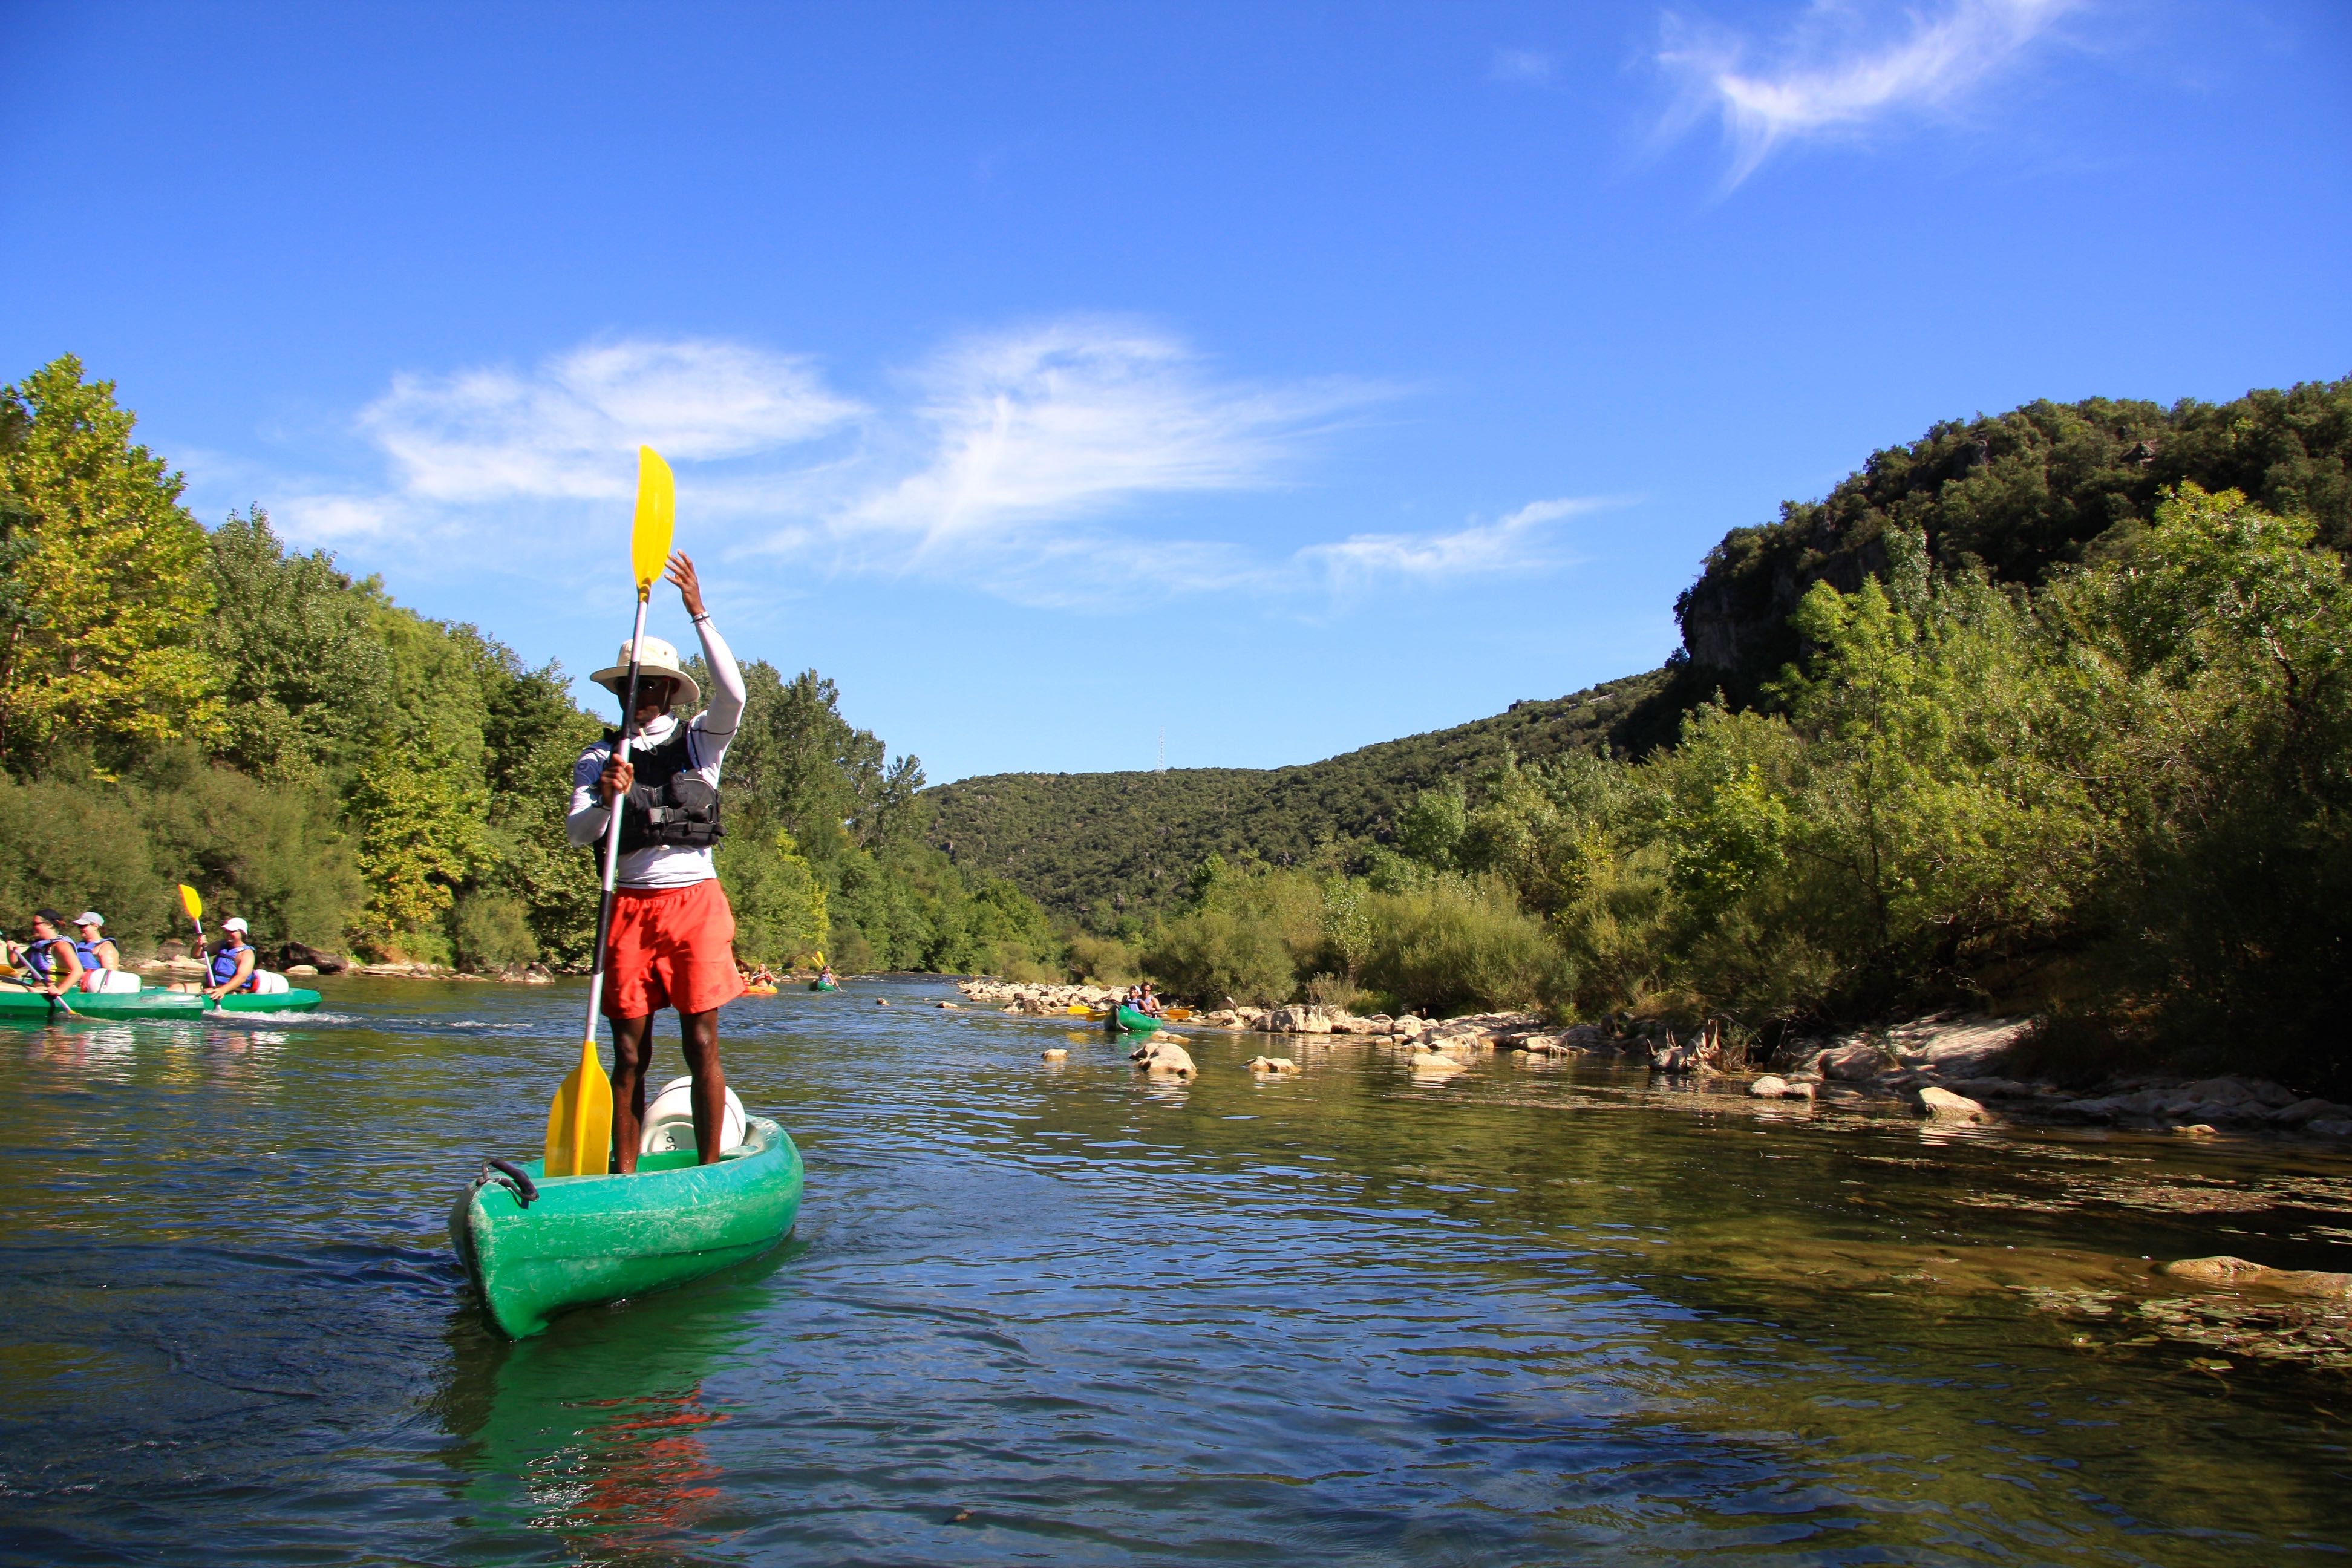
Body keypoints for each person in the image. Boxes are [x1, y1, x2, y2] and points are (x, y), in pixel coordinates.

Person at [567, 552, 746, 1172]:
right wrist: (611, 798)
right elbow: (577, 832)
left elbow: (735, 694)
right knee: (628, 1052)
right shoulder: (598, 759)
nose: (635, 695)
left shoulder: (700, 740)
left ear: (669, 690)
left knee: (701, 1041)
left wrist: (700, 611)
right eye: (627, 686)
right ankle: (623, 1174)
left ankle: (710, 1170)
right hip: (628, 907)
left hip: (694, 902)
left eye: (647, 684)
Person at [12, 910, 83, 995]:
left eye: (36, 924)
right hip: (36, 989)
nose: (33, 927)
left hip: (47, 991)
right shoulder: (39, 945)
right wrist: (12, 950)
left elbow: (78, 971)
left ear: (50, 925)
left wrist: (60, 990)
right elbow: (16, 964)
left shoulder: (61, 946)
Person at [205, 917, 258, 1000]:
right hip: (213, 986)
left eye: (232, 931)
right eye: (226, 931)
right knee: (178, 988)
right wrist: (199, 944)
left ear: (242, 933)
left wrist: (223, 990)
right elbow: (196, 955)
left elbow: (242, 977)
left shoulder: (247, 953)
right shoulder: (221, 945)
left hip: (234, 990)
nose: (228, 933)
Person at [71, 912, 122, 992]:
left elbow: (110, 978)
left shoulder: (106, 948)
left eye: (83, 926)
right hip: (75, 986)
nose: (80, 929)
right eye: (79, 926)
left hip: (92, 989)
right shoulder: (80, 945)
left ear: (95, 926)